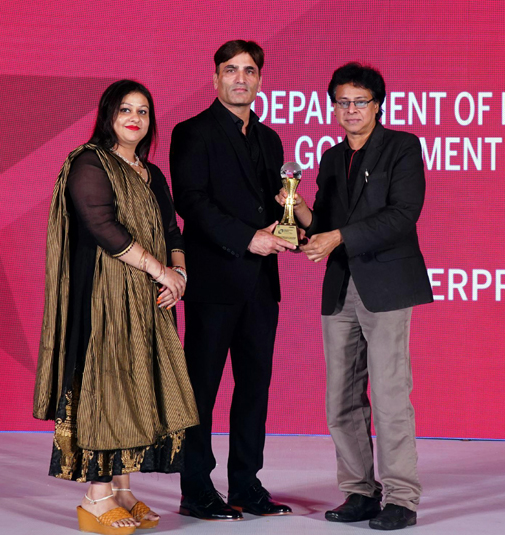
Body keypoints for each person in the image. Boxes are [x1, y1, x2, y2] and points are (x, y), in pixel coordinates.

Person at [33, 79, 198, 534]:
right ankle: (96, 496)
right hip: (102, 298)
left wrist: (179, 276)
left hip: (147, 302)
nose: (135, 118)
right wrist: (160, 271)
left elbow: (172, 231)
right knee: (107, 389)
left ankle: (123, 491)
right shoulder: (89, 162)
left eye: (143, 111)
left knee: (135, 386)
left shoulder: (151, 172)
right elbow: (103, 227)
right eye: (126, 109)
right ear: (108, 115)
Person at [276, 62, 433, 531]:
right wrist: (297, 207)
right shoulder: (330, 158)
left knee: (388, 396)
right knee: (340, 399)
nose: (351, 110)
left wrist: (339, 236)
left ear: (377, 105)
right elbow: (324, 223)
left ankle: (401, 498)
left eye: (360, 102)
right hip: (340, 287)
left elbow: (403, 215)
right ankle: (360, 492)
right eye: (342, 102)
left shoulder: (401, 147)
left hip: (386, 286)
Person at [169, 39, 295, 521]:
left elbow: (277, 204)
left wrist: (291, 229)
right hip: (214, 283)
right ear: (215, 77)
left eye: (249, 70)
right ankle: (196, 490)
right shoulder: (192, 132)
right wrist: (248, 239)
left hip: (261, 286)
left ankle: (246, 485)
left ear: (260, 79)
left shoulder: (270, 139)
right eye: (230, 69)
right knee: (200, 391)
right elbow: (192, 202)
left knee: (254, 390)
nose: (240, 78)